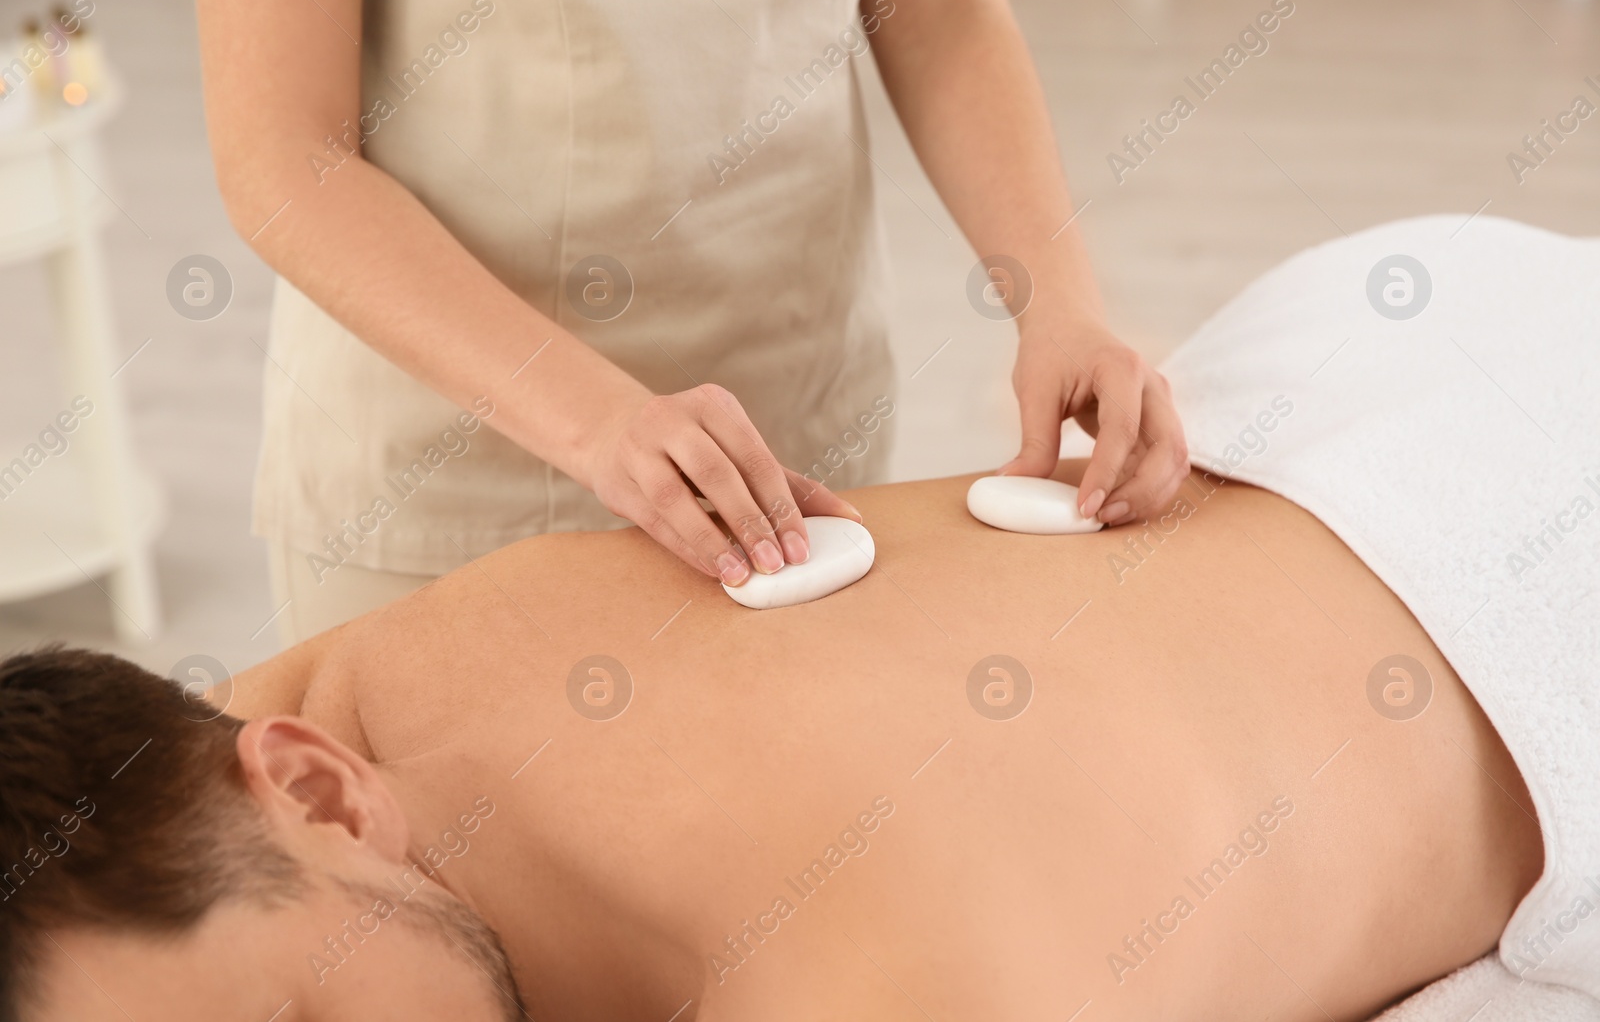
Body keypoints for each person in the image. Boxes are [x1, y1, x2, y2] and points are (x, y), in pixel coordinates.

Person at [0, 459, 1550, 1020]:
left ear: (323, 788)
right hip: (1300, 408)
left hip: (1537, 584)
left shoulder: (854, 956)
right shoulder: (219, 767)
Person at [191, 0, 1189, 646]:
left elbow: (941, 2)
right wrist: (600, 424)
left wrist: (1056, 299)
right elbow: (285, 159)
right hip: (459, 461)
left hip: (793, 435)